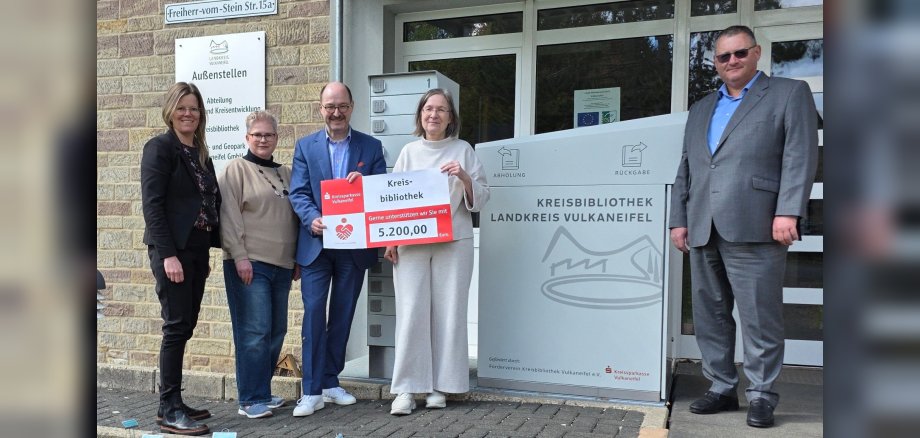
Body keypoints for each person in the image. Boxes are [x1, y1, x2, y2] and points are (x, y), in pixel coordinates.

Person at [668, 25, 818, 428]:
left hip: (757, 222)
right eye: (723, 56)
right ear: (715, 63)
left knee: (758, 316)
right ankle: (720, 387)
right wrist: (678, 219)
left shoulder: (789, 93)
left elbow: (800, 154)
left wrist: (788, 210)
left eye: (739, 53)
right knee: (709, 314)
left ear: (757, 53)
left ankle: (762, 394)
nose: (731, 61)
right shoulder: (701, 107)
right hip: (702, 225)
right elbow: (688, 167)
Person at [384, 89, 490, 416]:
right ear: (420, 115)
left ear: (450, 117)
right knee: (412, 310)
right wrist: (390, 240)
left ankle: (443, 386)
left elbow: (483, 197)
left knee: (450, 311)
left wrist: (464, 176)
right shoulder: (408, 152)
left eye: (441, 110)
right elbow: (394, 199)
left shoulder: (463, 150)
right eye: (429, 109)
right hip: (412, 242)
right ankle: (407, 388)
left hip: (454, 241)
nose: (434, 115)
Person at [289, 82, 387, 417]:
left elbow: (381, 194)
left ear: (352, 106)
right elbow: (298, 193)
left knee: (343, 315)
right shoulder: (305, 146)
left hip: (353, 247)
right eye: (330, 106)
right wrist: (312, 218)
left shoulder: (371, 147)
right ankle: (311, 390)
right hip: (317, 245)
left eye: (342, 105)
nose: (336, 112)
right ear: (321, 109)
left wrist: (366, 186)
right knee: (315, 314)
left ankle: (331, 381)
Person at [141, 82, 221, 436]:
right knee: (175, 326)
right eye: (182, 107)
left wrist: (204, 252)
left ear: (201, 114)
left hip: (195, 250)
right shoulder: (160, 148)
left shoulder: (201, 153)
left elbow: (207, 205)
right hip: (171, 251)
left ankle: (172, 401)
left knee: (186, 324)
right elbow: (153, 206)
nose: (188, 113)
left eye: (194, 108)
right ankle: (169, 408)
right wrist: (169, 255)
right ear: (171, 110)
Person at [219, 111, 300, 419]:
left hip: (282, 264)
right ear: (247, 138)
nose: (263, 139)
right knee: (254, 331)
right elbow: (229, 217)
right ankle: (250, 399)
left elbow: (295, 217)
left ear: (277, 138)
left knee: (276, 330)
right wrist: (239, 256)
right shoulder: (235, 170)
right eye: (257, 135)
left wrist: (297, 259)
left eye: (269, 135)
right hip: (250, 263)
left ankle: (262, 391)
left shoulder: (287, 173)